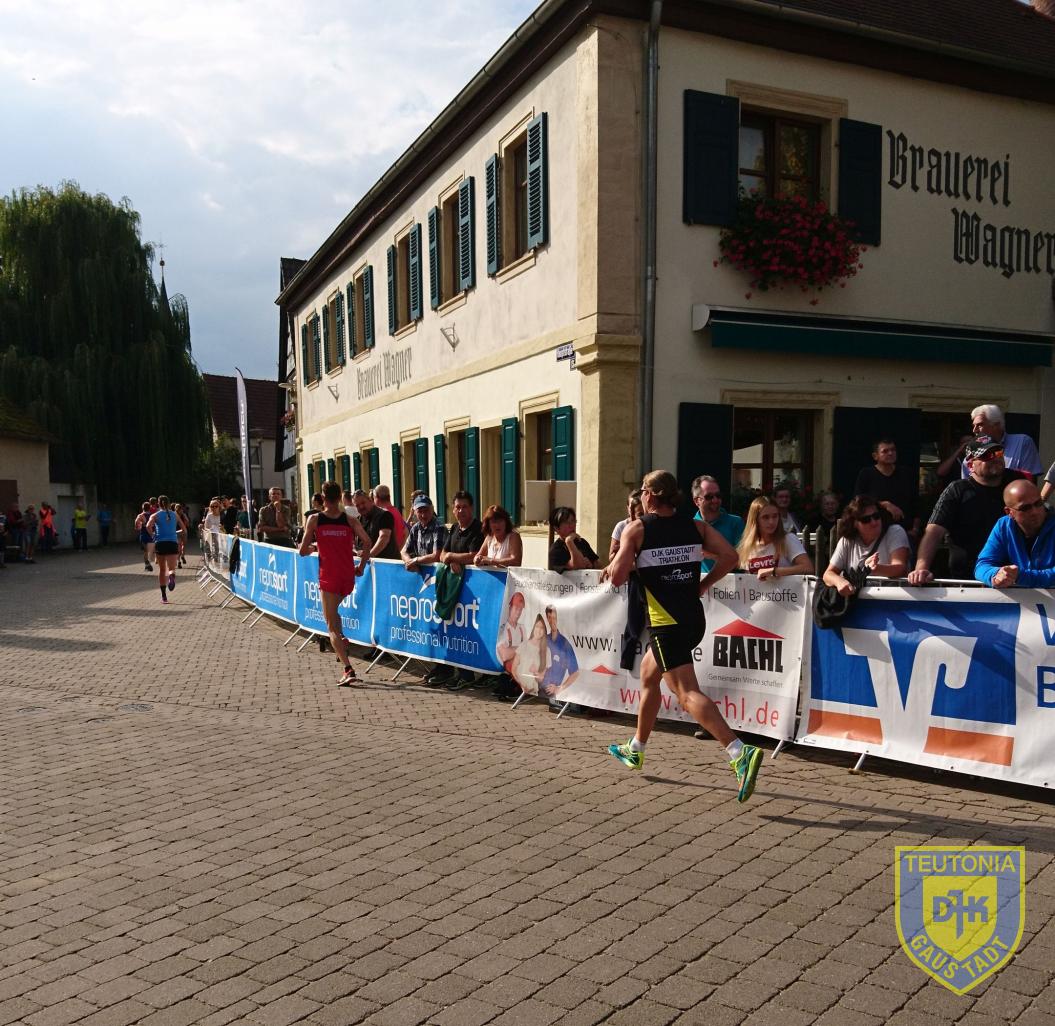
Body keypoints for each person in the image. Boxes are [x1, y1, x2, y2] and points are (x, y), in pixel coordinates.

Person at [602, 469, 762, 802]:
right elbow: (730, 556)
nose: (641, 496)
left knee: (687, 693)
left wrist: (626, 557)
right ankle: (636, 748)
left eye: (642, 491)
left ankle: (739, 752)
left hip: (666, 624)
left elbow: (616, 578)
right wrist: (703, 584)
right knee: (649, 674)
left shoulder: (638, 529)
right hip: (693, 619)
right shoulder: (696, 527)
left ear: (649, 495)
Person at [908, 436, 1024, 584]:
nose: (995, 458)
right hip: (967, 579)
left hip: (1012, 574)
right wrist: (921, 569)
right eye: (986, 456)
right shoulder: (957, 490)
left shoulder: (1016, 482)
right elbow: (934, 532)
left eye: (998, 453)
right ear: (970, 465)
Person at [299, 480, 373, 685]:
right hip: (347, 577)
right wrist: (361, 567)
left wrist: (315, 547)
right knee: (334, 613)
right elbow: (367, 542)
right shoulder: (350, 519)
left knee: (330, 625)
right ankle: (342, 637)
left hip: (329, 577)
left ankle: (348, 669)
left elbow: (302, 551)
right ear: (340, 496)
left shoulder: (315, 519)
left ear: (323, 498)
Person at [439, 492, 485, 691]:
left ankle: (473, 674)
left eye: (464, 507)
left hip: (475, 592)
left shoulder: (478, 529)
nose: (461, 511)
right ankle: (462, 673)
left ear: (472, 508)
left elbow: (474, 555)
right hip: (455, 591)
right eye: (457, 507)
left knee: (472, 635)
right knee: (456, 632)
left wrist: (453, 557)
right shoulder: (455, 528)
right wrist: (450, 558)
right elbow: (442, 554)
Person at [822, 494, 910, 597]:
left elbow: (900, 569)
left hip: (891, 599)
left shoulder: (894, 532)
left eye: (876, 516)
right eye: (866, 519)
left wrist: (876, 569)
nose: (874, 522)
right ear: (854, 523)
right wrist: (839, 582)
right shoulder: (847, 541)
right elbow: (828, 574)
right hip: (857, 601)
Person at [975, 480, 1055, 588]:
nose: (1034, 512)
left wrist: (1020, 577)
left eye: (1038, 503)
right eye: (1025, 508)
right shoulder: (1004, 526)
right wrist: (997, 575)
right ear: (1009, 512)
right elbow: (982, 566)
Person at [940, 404, 1042, 481]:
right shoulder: (972, 450)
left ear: (996, 425)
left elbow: (1029, 480)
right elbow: (966, 486)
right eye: (973, 426)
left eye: (980, 425)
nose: (974, 430)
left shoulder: (1022, 442)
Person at [853, 439, 919, 538]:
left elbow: (916, 503)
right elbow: (858, 500)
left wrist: (915, 529)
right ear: (875, 456)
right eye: (885, 451)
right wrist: (885, 504)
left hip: (904, 532)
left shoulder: (906, 473)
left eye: (893, 450)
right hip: (876, 531)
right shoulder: (866, 474)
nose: (890, 453)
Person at [736, 496, 814, 579]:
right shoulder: (748, 545)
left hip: (785, 587)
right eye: (765, 517)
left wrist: (774, 571)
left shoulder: (787, 539)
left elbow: (807, 568)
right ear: (755, 520)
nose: (771, 522)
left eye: (775, 516)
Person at [691, 475, 744, 573]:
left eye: (718, 495)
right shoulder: (690, 526)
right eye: (709, 497)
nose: (715, 500)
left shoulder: (736, 523)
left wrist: (713, 556)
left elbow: (743, 561)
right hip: (700, 581)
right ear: (697, 501)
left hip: (731, 581)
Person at [147, 496, 181, 604]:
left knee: (162, 570)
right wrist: (175, 533)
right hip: (172, 543)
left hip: (160, 543)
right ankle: (171, 576)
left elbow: (148, 526)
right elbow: (184, 529)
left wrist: (153, 535)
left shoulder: (155, 515)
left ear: (158, 503)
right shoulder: (175, 514)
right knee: (171, 568)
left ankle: (164, 597)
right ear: (169, 503)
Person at [401, 495, 447, 572]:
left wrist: (415, 560)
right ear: (414, 512)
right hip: (422, 574)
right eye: (420, 511)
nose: (423, 515)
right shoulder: (415, 528)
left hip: (438, 573)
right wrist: (409, 562)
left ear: (432, 509)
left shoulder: (439, 528)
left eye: (426, 510)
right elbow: (403, 551)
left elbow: (436, 556)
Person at [351, 488, 399, 560]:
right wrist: (356, 552)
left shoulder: (384, 515)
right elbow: (353, 543)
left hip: (386, 563)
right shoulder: (358, 520)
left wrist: (369, 555)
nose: (361, 507)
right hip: (367, 563)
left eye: (363, 503)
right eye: (357, 505)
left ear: (370, 500)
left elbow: (384, 537)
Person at [511, 614, 551, 695]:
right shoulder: (524, 645)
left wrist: (535, 672)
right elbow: (513, 669)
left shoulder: (547, 651)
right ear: (533, 628)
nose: (539, 630)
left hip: (532, 691)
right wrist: (521, 685)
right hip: (518, 687)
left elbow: (541, 679)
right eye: (537, 626)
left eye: (542, 628)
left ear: (545, 631)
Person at [548, 507, 598, 571]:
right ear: (557, 528)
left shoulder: (581, 542)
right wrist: (569, 541)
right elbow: (576, 566)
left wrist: (591, 565)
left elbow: (598, 563)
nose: (571, 525)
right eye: (566, 522)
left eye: (573, 521)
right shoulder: (556, 550)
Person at [801, 490, 841, 568]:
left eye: (833, 504)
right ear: (822, 505)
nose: (830, 506)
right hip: (820, 561)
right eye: (827, 504)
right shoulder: (814, 522)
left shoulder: (841, 520)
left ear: (837, 505)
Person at [609, 490, 644, 561]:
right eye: (631, 507)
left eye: (642, 514)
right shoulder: (621, 526)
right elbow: (611, 558)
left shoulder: (649, 526)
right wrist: (620, 551)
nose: (632, 511)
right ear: (628, 508)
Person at [372, 484, 408, 550]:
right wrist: (399, 549)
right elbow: (405, 532)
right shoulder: (396, 511)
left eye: (373, 498)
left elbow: (383, 537)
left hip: (388, 552)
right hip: (396, 552)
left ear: (377, 497)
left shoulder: (384, 514)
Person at [202, 499, 224, 564]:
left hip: (221, 536)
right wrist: (210, 530)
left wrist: (222, 528)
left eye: (216, 506)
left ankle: (217, 559)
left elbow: (225, 526)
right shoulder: (209, 515)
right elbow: (206, 527)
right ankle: (212, 559)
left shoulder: (222, 515)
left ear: (219, 507)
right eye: (212, 506)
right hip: (211, 535)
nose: (214, 508)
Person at [135, 502, 155, 570]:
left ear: (142, 508)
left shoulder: (141, 515)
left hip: (143, 535)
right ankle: (148, 563)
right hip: (151, 535)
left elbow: (136, 522)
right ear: (149, 508)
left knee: (146, 551)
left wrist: (138, 527)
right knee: (150, 551)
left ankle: (147, 564)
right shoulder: (152, 515)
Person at [173, 503, 190, 568]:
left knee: (184, 545)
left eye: (180, 509)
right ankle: (179, 561)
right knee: (179, 547)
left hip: (184, 532)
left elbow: (188, 523)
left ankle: (182, 556)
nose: (179, 510)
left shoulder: (183, 515)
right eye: (178, 509)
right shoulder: (174, 515)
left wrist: (184, 516)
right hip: (177, 532)